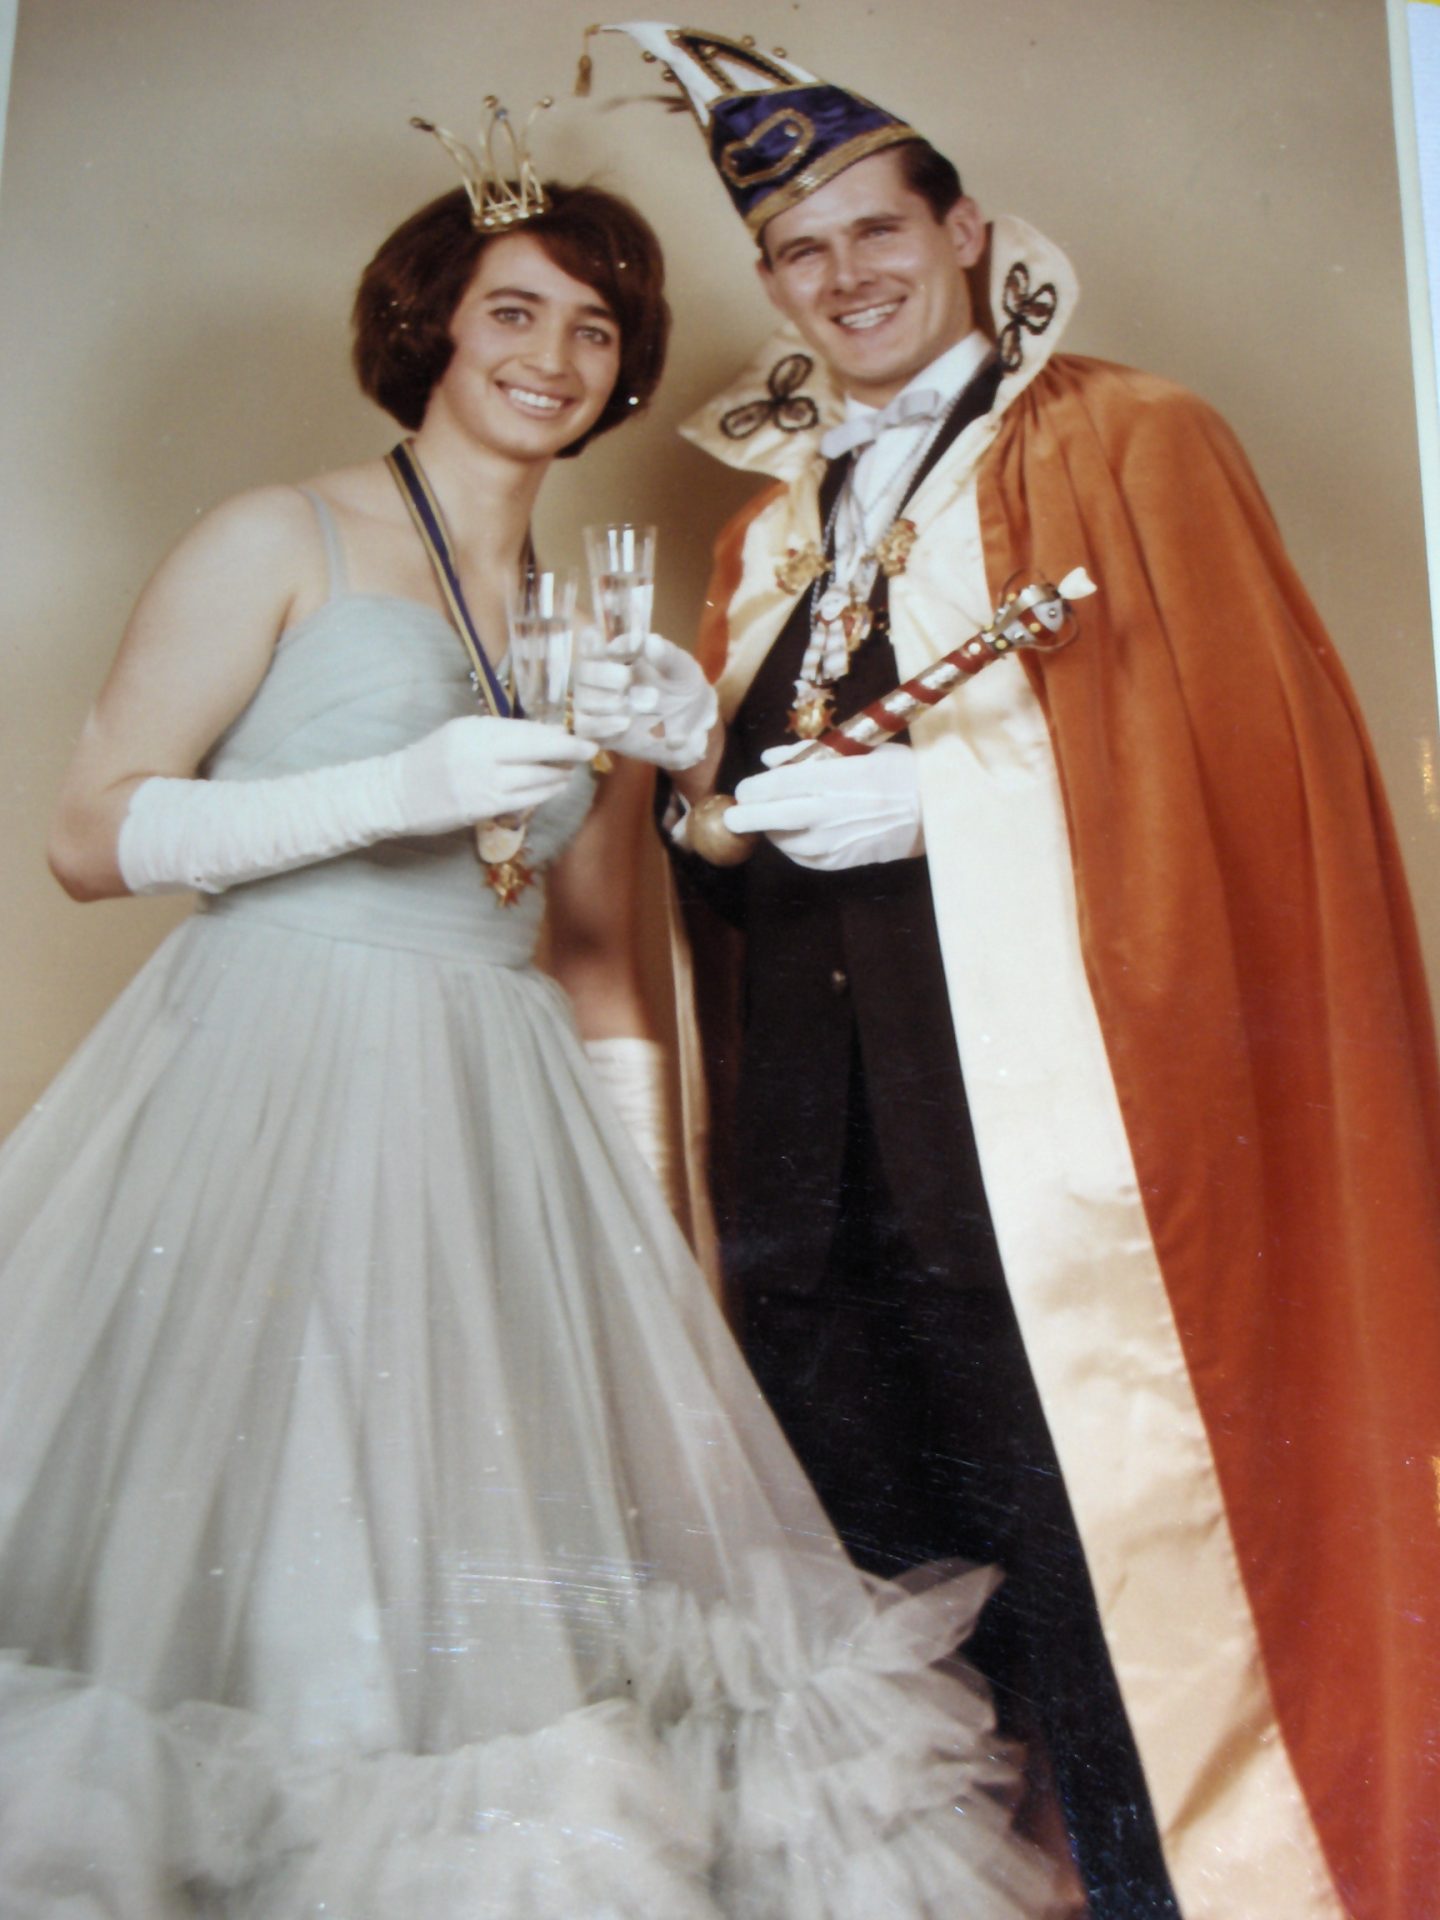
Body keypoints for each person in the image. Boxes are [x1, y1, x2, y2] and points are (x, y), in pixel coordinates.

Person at [0, 118, 1065, 1918]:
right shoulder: (280, 533)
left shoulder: (592, 617)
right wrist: (379, 792)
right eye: (513, 312)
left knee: (474, 1538)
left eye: (593, 327)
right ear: (431, 323)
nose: (552, 357)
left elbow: (591, 955)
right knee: (281, 1499)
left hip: (494, 1107)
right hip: (273, 1062)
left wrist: (645, 1218)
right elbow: (86, 837)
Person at [585, 23, 1440, 1920]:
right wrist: (690, 776)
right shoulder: (766, 526)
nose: (845, 278)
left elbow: (1243, 776)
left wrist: (949, 803)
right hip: (814, 1152)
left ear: (967, 230)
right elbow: (741, 833)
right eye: (798, 253)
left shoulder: (1135, 438)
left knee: (1086, 1539)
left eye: (877, 229)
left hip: (1044, 1152)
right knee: (873, 1543)